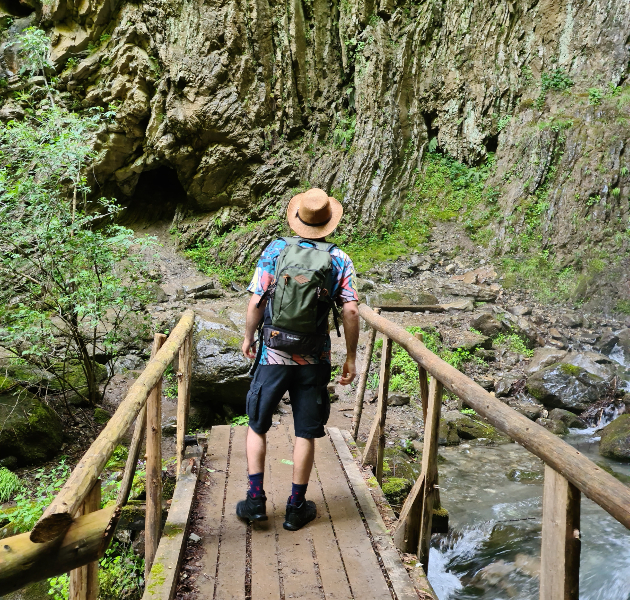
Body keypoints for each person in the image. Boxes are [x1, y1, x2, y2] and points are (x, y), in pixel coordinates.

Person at [237, 187, 360, 531]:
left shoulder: (276, 250)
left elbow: (257, 301)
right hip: (314, 356)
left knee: (257, 425)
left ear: (298, 219)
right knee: (305, 432)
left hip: (273, 354)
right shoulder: (339, 259)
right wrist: (350, 357)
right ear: (327, 224)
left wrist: (249, 337)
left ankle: (256, 501)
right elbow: (350, 309)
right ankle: (296, 506)